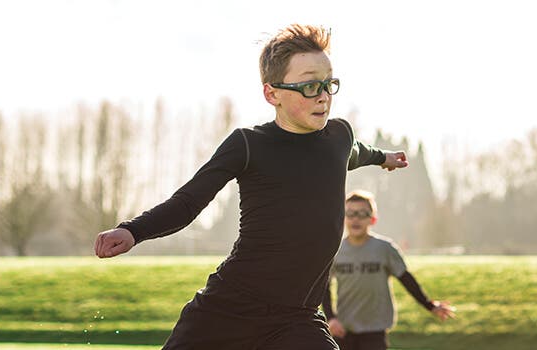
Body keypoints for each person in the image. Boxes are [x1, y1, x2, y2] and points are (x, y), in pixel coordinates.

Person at [91, 24, 407, 350]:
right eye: (311, 85)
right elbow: (188, 202)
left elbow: (360, 153)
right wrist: (132, 231)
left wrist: (385, 158)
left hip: (297, 318)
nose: (324, 96)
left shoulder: (340, 138)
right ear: (272, 94)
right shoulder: (248, 144)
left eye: (329, 84)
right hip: (227, 309)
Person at [322, 190, 456, 350]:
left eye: (362, 213)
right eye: (350, 213)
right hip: (343, 329)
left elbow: (406, 278)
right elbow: (324, 286)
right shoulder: (335, 250)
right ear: (343, 218)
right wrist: (331, 318)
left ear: (373, 219)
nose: (356, 218)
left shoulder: (384, 249)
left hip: (375, 330)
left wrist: (429, 305)